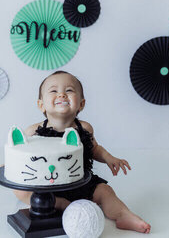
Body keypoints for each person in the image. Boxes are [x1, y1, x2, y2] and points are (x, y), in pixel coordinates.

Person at [13, 70, 151, 234]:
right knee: (20, 191)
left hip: (79, 182)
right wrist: (10, 166)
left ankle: (123, 214)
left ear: (81, 104)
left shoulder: (84, 128)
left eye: (69, 90)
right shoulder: (34, 132)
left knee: (105, 191)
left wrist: (109, 158)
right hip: (47, 187)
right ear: (41, 104)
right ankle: (60, 203)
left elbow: (94, 149)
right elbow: (22, 156)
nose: (62, 95)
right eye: (54, 91)